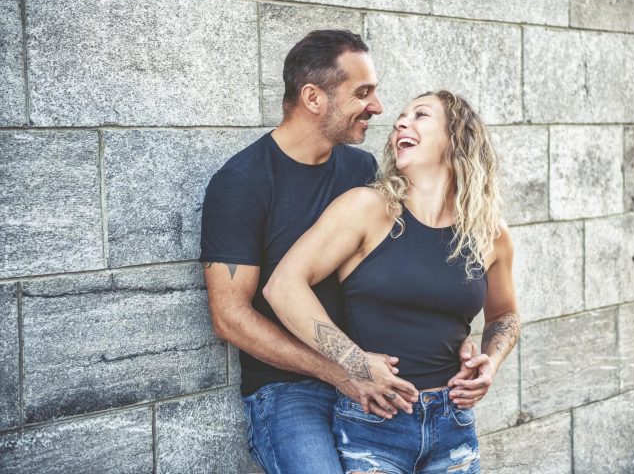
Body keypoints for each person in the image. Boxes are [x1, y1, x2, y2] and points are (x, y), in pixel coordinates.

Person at [199, 31, 486, 474]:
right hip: (290, 389)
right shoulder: (243, 181)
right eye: (363, 93)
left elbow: (410, 264)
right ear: (314, 97)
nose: (378, 108)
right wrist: (342, 370)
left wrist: (449, 335)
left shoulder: (361, 170)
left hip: (376, 375)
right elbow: (229, 317)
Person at [264, 90, 521, 473]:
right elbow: (282, 286)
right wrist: (354, 361)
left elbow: (504, 314)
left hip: (454, 423)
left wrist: (491, 363)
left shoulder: (489, 233)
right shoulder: (368, 208)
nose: (401, 122)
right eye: (401, 118)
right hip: (374, 422)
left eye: (420, 115)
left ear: (457, 138)